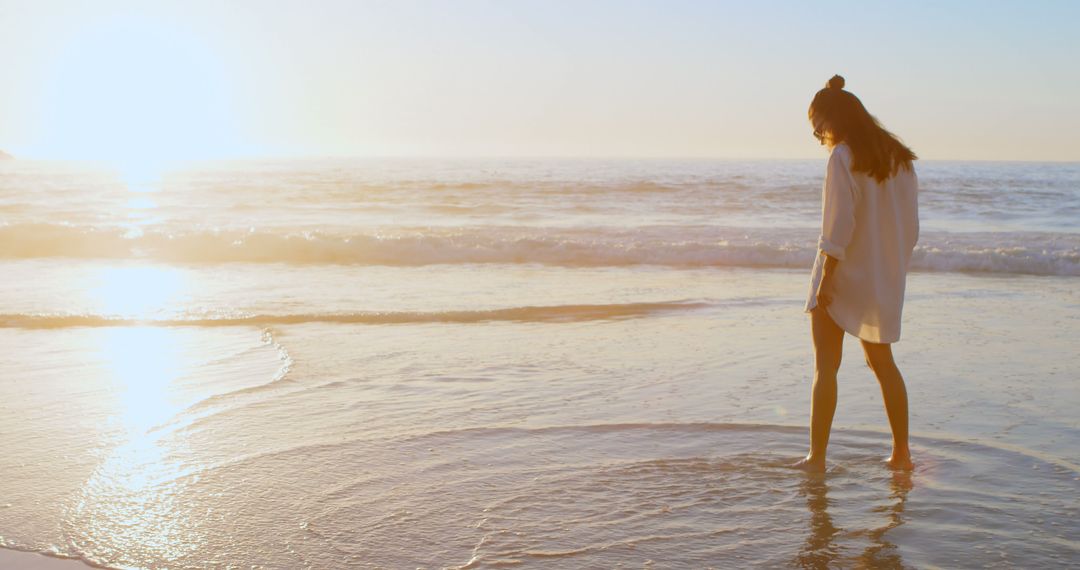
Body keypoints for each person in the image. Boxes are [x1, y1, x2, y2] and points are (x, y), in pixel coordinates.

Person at [792, 75, 919, 473]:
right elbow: (910, 228)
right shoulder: (899, 158)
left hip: (841, 271)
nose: (818, 135)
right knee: (883, 364)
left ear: (834, 119)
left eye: (818, 126)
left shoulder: (842, 157)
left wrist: (825, 281)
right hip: (881, 275)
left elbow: (837, 227)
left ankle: (817, 458)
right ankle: (902, 453)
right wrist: (890, 267)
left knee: (825, 367)